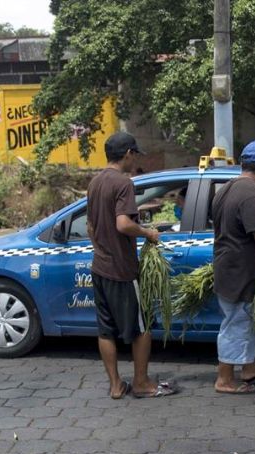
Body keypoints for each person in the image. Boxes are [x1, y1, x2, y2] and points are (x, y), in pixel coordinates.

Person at [87, 131, 176, 398]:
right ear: (128, 154)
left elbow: (91, 227)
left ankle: (116, 386)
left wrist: (102, 249)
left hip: (99, 267)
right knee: (142, 327)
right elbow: (123, 224)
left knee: (106, 330)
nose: (135, 159)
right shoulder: (124, 183)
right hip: (122, 271)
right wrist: (148, 233)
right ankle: (141, 384)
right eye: (134, 154)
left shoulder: (95, 182)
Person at [211, 140, 255, 394]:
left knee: (248, 321)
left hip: (228, 267)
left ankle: (249, 368)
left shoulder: (226, 188)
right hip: (238, 272)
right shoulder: (252, 193)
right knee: (236, 323)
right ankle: (224, 379)